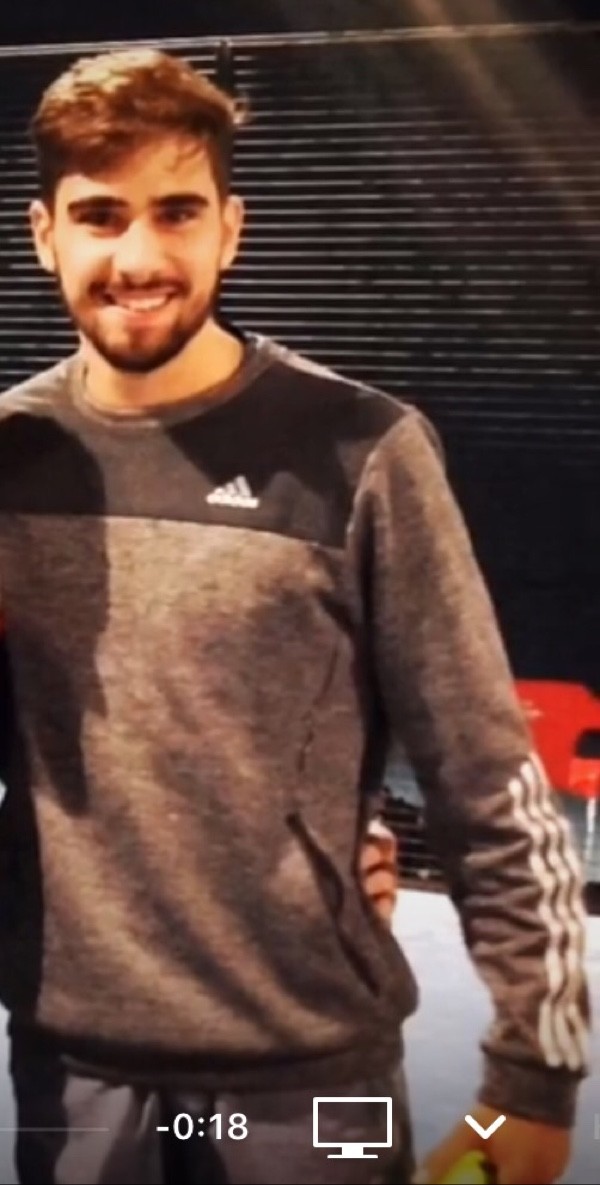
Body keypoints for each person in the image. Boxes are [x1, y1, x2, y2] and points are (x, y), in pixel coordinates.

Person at [0, 48, 589, 1185]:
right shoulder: (10, 460)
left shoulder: (364, 451)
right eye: (101, 216)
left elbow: (485, 772)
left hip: (312, 1083)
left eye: (177, 212)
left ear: (231, 229)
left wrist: (533, 1074)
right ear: (44, 235)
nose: (139, 258)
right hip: (69, 1076)